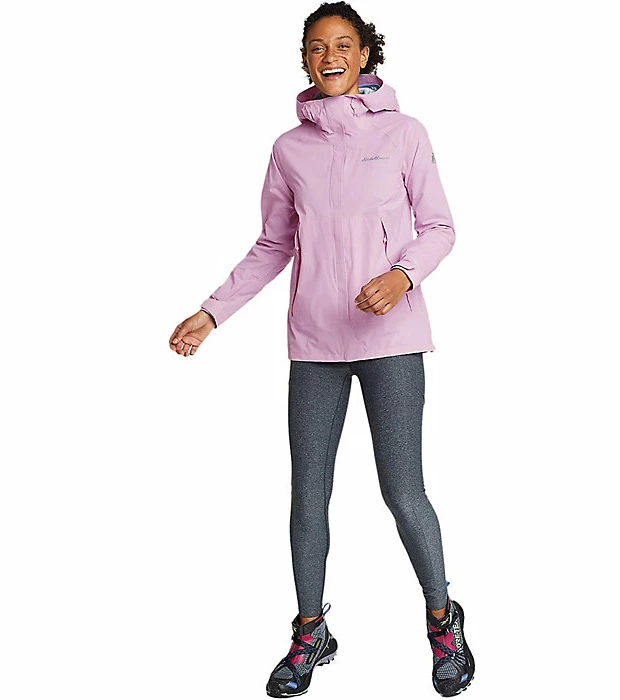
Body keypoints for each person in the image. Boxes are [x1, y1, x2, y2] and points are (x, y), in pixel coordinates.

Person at [169, 2, 475, 696]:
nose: (329, 55)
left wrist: (401, 276)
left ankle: (442, 619)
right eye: (316, 46)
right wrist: (212, 313)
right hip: (314, 344)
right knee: (308, 494)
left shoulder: (405, 133)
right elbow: (273, 243)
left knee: (402, 490)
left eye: (343, 44)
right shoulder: (289, 148)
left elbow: (439, 226)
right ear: (305, 60)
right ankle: (311, 631)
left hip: (391, 338)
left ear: (366, 55)